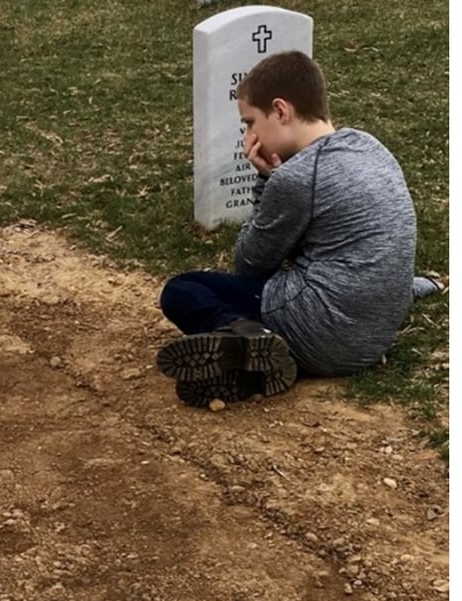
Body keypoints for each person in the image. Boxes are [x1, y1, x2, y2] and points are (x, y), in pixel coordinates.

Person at [156, 50, 439, 407]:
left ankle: (250, 340)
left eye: (250, 122)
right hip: (373, 338)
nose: (249, 135)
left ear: (280, 111)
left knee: (183, 290)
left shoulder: (297, 177)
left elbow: (251, 262)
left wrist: (264, 181)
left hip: (318, 336)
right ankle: (252, 361)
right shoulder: (372, 148)